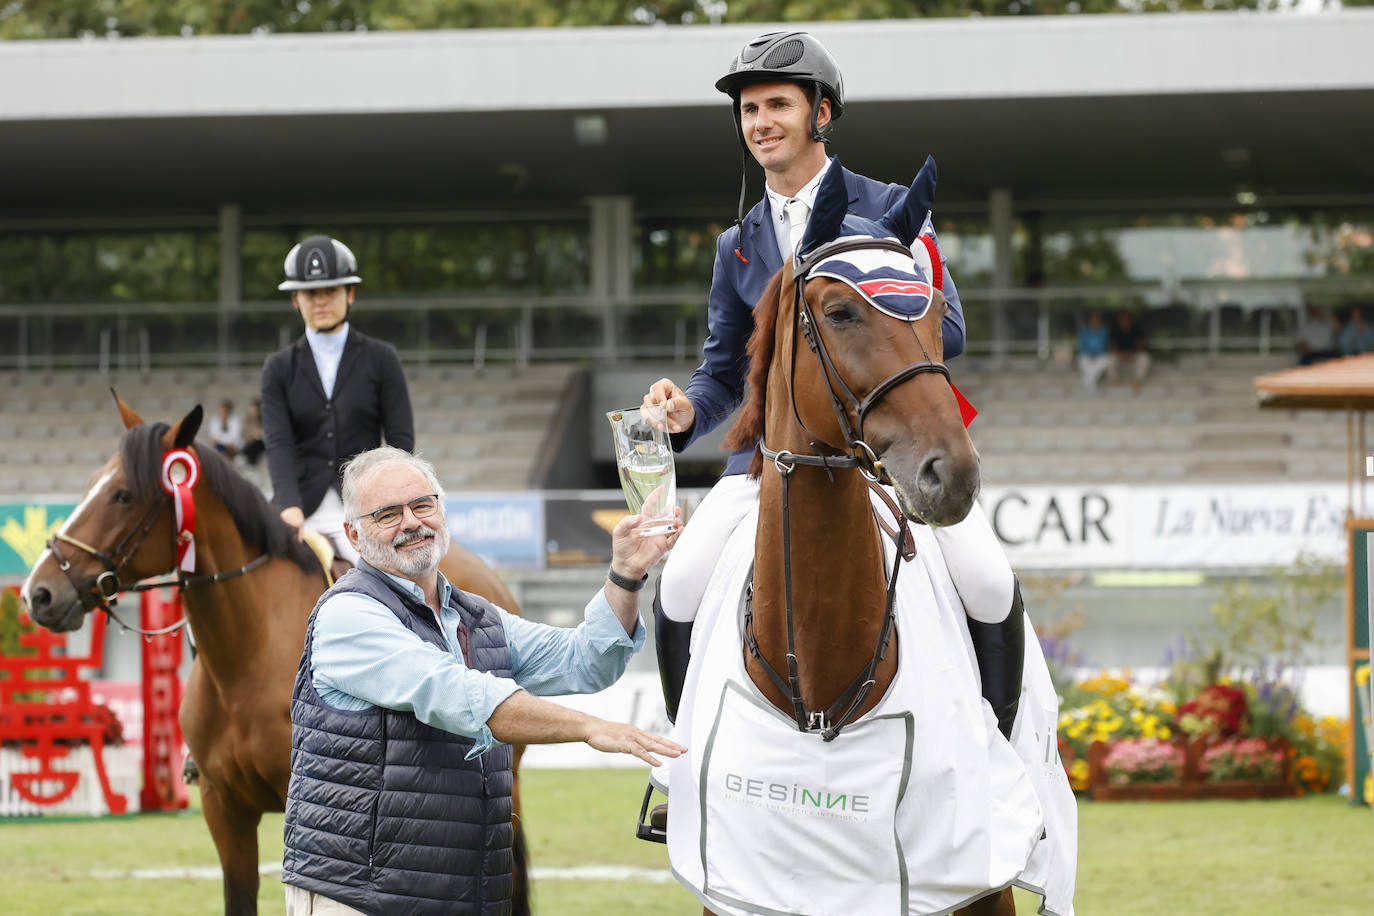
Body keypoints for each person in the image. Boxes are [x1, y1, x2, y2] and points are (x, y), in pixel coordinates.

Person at [641, 30, 967, 625]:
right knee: (680, 586)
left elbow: (954, 331)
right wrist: (687, 410)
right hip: (772, 462)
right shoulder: (737, 247)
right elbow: (725, 374)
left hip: (887, 452)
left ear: (820, 113)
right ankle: (685, 719)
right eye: (749, 109)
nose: (761, 122)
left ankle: (999, 719)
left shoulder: (893, 210)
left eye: (777, 105)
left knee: (989, 584)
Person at [281, 447, 685, 916]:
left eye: (422, 505)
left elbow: (584, 659)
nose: (411, 522)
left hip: (464, 895)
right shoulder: (347, 613)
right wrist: (589, 727)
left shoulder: (478, 616)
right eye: (387, 514)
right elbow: (456, 694)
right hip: (362, 897)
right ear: (353, 533)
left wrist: (627, 572)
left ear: (441, 510)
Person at [261, 235, 414, 564]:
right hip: (301, 506)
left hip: (366, 506)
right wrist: (288, 505)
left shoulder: (382, 358)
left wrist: (388, 502)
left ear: (350, 294)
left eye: (330, 291)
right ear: (295, 300)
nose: (320, 302)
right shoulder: (277, 368)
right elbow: (278, 443)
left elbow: (401, 439)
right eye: (310, 293)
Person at [1109, 308, 1150, 395]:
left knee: (1144, 358)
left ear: (1130, 319)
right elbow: (1112, 346)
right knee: (1109, 359)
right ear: (1119, 320)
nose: (1124, 320)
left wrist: (1132, 353)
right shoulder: (1114, 330)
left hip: (1133, 355)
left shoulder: (1137, 329)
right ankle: (1115, 381)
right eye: (1122, 318)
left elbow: (1141, 345)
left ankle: (1137, 381)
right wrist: (1121, 354)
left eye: (1126, 318)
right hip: (1119, 356)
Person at [1076, 311, 1111, 392]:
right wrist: (1090, 355)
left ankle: (1089, 387)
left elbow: (1106, 346)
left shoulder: (1104, 331)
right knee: (1085, 365)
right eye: (1093, 319)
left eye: (1097, 319)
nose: (1095, 321)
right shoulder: (1085, 331)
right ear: (1090, 320)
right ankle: (1090, 387)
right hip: (1086, 355)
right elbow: (1082, 346)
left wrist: (1096, 355)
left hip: (1100, 356)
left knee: (1102, 364)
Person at [240, 398, 266, 467]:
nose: (252, 411)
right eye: (251, 409)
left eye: (254, 409)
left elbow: (264, 435)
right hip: (250, 444)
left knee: (257, 443)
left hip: (261, 445)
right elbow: (246, 437)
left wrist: (257, 434)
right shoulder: (248, 421)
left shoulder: (263, 421)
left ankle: (246, 458)